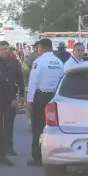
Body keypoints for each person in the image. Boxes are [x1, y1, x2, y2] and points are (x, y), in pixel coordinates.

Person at [27, 38, 64, 166]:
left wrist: (30, 101)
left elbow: (33, 82)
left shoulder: (39, 61)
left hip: (41, 97)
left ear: (42, 48)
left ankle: (37, 157)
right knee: (53, 127)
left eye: (38, 48)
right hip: (55, 98)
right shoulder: (59, 62)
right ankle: (55, 154)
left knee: (37, 128)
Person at [0, 41, 25, 156]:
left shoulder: (14, 63)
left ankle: (8, 148)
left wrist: (22, 95)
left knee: (9, 124)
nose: (5, 51)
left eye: (6, 48)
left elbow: (20, 80)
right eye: (2, 49)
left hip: (10, 97)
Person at [22, 41, 40, 131]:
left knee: (30, 106)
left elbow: (24, 71)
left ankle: (31, 122)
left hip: (30, 87)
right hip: (45, 89)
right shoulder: (51, 58)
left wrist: (23, 82)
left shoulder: (31, 57)